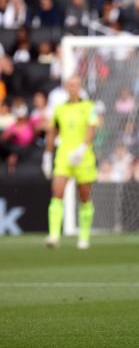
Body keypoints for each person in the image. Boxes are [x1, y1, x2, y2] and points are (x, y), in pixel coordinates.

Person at [42, 76, 97, 249]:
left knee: (84, 196)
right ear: (66, 87)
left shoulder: (89, 107)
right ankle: (54, 235)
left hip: (83, 156)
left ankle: (84, 236)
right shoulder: (60, 109)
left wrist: (81, 149)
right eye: (70, 85)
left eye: (75, 85)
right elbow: (52, 132)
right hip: (64, 156)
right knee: (57, 193)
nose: (73, 88)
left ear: (80, 87)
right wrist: (47, 155)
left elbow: (91, 129)